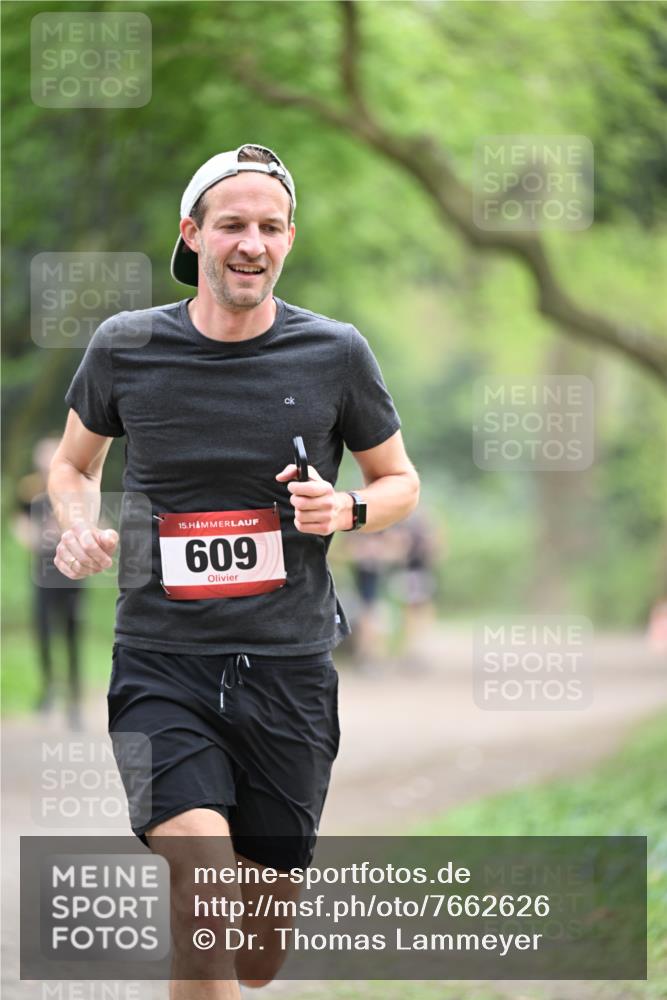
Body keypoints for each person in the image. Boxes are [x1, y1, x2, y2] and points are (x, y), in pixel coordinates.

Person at [48, 143, 419, 997]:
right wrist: (78, 526)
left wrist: (349, 509)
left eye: (268, 226)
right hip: (158, 662)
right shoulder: (126, 346)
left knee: (255, 952)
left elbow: (399, 480)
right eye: (231, 225)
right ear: (194, 234)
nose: (250, 243)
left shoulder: (334, 352)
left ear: (288, 239)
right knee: (201, 886)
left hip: (287, 671)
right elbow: (74, 466)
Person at [14, 436, 85, 728]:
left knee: (71, 634)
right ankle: (48, 689)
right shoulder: (29, 488)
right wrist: (33, 537)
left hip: (70, 574)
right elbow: (18, 521)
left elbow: (93, 518)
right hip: (42, 573)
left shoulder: (74, 487)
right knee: (43, 631)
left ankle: (74, 698)